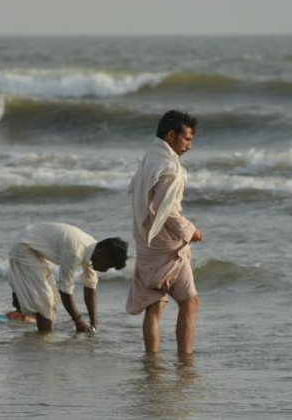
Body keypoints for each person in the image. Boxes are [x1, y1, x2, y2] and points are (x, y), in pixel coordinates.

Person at [126, 110, 202, 355]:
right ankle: (185, 360)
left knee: (155, 304)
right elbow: (165, 210)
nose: (190, 146)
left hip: (145, 237)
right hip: (165, 244)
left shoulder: (151, 155)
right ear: (171, 135)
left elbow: (136, 191)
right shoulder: (169, 165)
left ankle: (152, 361)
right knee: (190, 302)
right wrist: (191, 231)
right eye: (187, 139)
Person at [5, 222, 128, 333]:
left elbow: (90, 289)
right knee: (46, 302)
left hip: (35, 247)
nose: (105, 270)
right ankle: (43, 344)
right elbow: (65, 291)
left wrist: (93, 325)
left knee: (52, 300)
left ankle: (41, 332)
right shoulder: (75, 251)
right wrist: (78, 321)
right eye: (108, 265)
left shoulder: (93, 251)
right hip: (24, 246)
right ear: (101, 254)